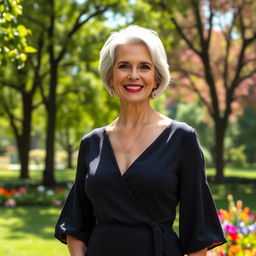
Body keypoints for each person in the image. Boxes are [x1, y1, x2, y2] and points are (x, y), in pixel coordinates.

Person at [55, 25, 226, 256]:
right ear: (110, 75)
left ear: (156, 77)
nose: (133, 75)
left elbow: (198, 230)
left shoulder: (181, 138)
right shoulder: (92, 143)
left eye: (144, 67)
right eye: (123, 66)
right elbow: (76, 223)